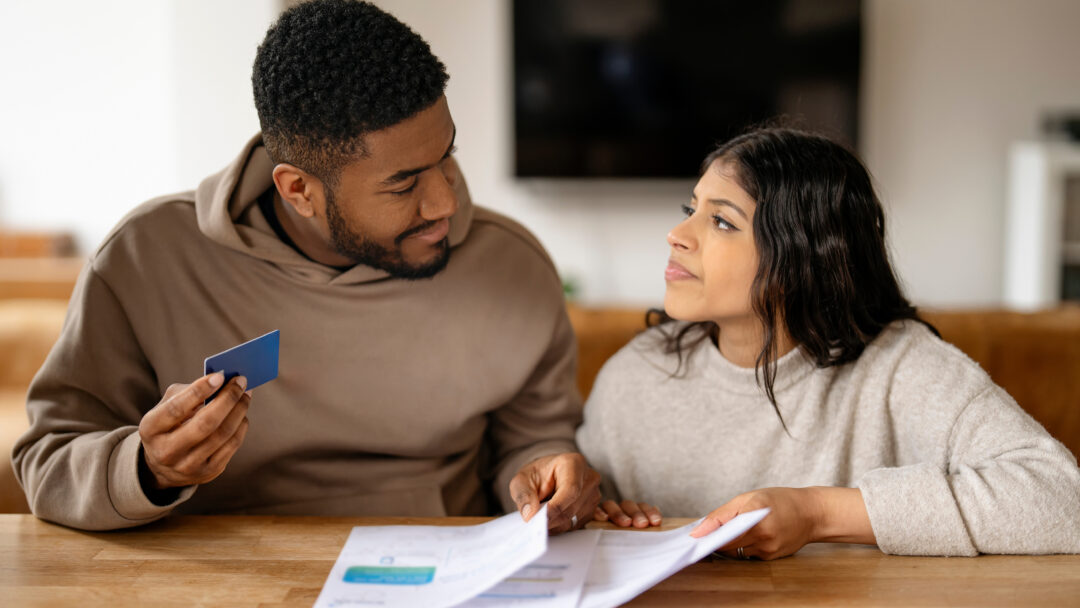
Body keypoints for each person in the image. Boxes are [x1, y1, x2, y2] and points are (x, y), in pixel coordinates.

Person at [13, 0, 599, 532]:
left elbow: (532, 439)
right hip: (229, 580)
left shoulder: (511, 263)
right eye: (403, 185)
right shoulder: (145, 258)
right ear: (298, 190)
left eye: (446, 157)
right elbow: (48, 461)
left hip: (447, 567)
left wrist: (545, 470)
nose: (446, 201)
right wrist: (145, 467)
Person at [576, 127, 1080, 557]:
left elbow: (1062, 500)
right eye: (692, 208)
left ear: (800, 257)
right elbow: (576, 527)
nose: (676, 234)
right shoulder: (635, 374)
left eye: (722, 221)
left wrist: (817, 512)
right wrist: (599, 514)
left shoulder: (901, 367)